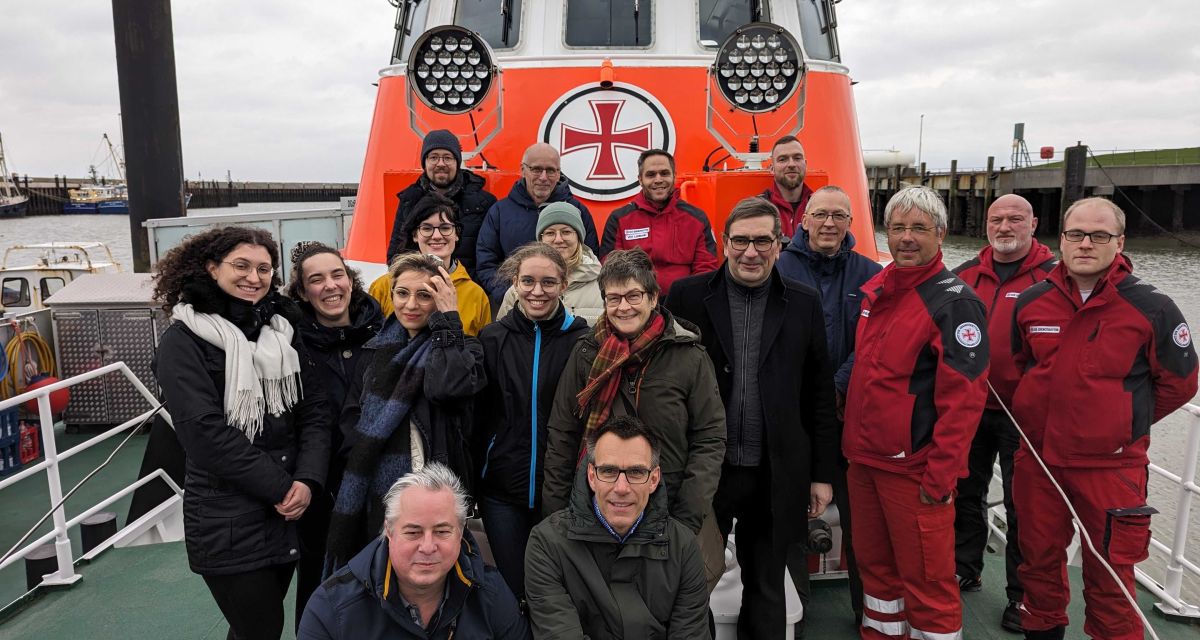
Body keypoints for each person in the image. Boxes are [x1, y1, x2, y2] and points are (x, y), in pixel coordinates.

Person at [1010, 197, 1198, 640]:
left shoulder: (1153, 308)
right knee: (1036, 568)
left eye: (1100, 235)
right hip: (1039, 462)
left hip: (1113, 468)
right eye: (1076, 234)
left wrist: (1121, 425)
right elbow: (1023, 366)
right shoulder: (1034, 301)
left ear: (1120, 242)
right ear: (1061, 239)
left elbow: (1180, 383)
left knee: (1111, 577)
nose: (1086, 244)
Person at [666, 196, 839, 639]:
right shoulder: (687, 296)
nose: (750, 252)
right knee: (688, 582)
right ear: (723, 244)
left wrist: (821, 474)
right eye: (740, 241)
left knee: (766, 584)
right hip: (705, 469)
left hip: (774, 470)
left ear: (780, 245)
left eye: (763, 241)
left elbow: (818, 394)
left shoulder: (803, 302)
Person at [152, 226, 331, 640]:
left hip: (285, 513)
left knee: (255, 630)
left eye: (264, 268)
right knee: (262, 628)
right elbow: (204, 434)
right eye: (242, 266)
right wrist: (283, 488)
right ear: (212, 268)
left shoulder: (281, 332)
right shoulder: (184, 341)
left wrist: (307, 480)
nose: (254, 277)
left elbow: (314, 411)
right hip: (226, 517)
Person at [843, 186, 990, 640]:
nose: (907, 238)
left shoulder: (953, 302)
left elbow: (963, 401)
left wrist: (940, 476)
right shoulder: (880, 290)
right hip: (866, 462)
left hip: (914, 471)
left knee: (927, 581)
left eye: (919, 229)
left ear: (941, 234)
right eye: (899, 227)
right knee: (877, 575)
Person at [541, 247, 727, 590]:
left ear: (653, 297)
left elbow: (709, 438)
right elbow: (563, 433)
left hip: (672, 508)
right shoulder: (586, 354)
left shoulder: (689, 356)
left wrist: (688, 514)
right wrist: (556, 511)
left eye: (633, 295)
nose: (623, 307)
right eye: (613, 298)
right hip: (598, 507)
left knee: (678, 608)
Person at [325, 252, 487, 574]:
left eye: (424, 295)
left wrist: (448, 322)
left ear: (441, 298)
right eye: (402, 293)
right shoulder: (373, 352)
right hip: (377, 488)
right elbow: (351, 419)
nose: (410, 304)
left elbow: (446, 388)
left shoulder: (466, 348)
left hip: (436, 485)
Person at [770, 185, 884, 628]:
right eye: (820, 214)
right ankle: (793, 609)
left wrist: (836, 384)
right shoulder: (779, 268)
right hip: (794, 415)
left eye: (839, 215)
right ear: (804, 220)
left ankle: (866, 611)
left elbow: (873, 342)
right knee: (789, 514)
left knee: (861, 524)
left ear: (850, 223)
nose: (829, 223)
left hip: (849, 414)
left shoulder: (872, 274)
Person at [950, 194, 1055, 631]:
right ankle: (964, 567)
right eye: (997, 219)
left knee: (1023, 507)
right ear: (986, 226)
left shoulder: (1055, 279)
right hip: (971, 408)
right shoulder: (963, 276)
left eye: (1015, 219)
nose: (1005, 227)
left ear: (1033, 223)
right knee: (963, 494)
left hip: (1024, 417)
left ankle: (1021, 595)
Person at [525, 416, 711, 639]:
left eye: (636, 472)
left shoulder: (683, 547)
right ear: (592, 476)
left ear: (654, 479)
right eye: (609, 471)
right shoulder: (546, 544)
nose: (621, 488)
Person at [475, 242, 590, 599]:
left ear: (564, 283)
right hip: (502, 491)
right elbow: (479, 416)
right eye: (527, 281)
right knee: (514, 592)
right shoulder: (493, 338)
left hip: (562, 490)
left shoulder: (584, 340)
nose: (537, 291)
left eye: (547, 282)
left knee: (555, 592)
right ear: (515, 282)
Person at [299, 464, 531, 639]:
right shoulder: (331, 607)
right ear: (389, 532)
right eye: (413, 532)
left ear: (460, 533)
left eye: (442, 531)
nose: (428, 547)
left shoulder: (491, 593)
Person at [286, 241, 385, 625]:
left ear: (350, 280)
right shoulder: (288, 345)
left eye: (337, 274)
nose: (329, 286)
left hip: (375, 486)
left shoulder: (382, 334)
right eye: (316, 279)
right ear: (301, 292)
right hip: (320, 489)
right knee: (318, 584)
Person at [476, 143, 600, 304]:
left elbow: (589, 257)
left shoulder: (577, 211)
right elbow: (486, 262)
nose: (543, 177)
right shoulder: (500, 211)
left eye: (550, 170)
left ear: (558, 173)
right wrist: (514, 296)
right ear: (523, 170)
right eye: (536, 169)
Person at [369, 194, 492, 336]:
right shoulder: (383, 286)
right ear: (415, 235)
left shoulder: (476, 295)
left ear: (457, 234)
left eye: (445, 228)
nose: (437, 236)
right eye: (427, 228)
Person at [599, 149, 718, 294]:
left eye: (664, 173)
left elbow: (706, 269)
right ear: (640, 179)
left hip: (684, 304)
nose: (658, 179)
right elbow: (610, 268)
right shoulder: (619, 219)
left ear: (674, 176)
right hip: (635, 303)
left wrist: (689, 299)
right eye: (650, 175)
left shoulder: (697, 218)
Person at [384, 129, 497, 275]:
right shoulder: (409, 200)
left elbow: (491, 256)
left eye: (447, 157)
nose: (441, 163)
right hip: (422, 289)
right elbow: (396, 255)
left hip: (468, 288)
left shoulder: (484, 202)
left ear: (457, 162)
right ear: (425, 163)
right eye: (434, 157)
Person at [494, 201, 605, 323]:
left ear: (578, 237)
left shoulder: (603, 286)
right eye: (550, 233)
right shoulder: (518, 290)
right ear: (540, 239)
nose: (558, 240)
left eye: (566, 232)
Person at [760, 136, 813, 242]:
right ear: (772, 169)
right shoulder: (757, 208)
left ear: (805, 165)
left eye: (797, 158)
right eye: (782, 159)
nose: (791, 164)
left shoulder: (819, 207)